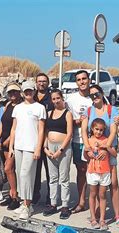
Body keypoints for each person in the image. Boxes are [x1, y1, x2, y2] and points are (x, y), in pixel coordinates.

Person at [82, 84, 119, 228]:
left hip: (108, 148)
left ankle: (117, 215)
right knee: (94, 185)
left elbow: (113, 130)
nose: (94, 97)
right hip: (93, 151)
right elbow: (84, 131)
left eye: (96, 94)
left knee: (113, 183)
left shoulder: (111, 109)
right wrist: (88, 148)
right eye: (91, 95)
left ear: (102, 93)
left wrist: (106, 148)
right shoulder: (89, 111)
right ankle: (95, 216)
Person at [9, 81, 46, 220]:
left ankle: (27, 204)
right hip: (19, 146)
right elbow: (14, 128)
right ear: (22, 92)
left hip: (31, 147)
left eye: (30, 90)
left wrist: (38, 148)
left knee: (26, 175)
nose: (28, 93)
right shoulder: (17, 108)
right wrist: (11, 146)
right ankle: (25, 204)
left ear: (34, 91)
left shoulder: (39, 107)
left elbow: (41, 130)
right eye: (26, 91)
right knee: (20, 174)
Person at [65, 70, 93, 214]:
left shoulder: (96, 96)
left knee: (95, 172)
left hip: (95, 142)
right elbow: (65, 119)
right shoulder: (70, 100)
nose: (82, 82)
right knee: (81, 171)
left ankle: (96, 203)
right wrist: (76, 122)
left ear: (89, 80)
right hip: (78, 140)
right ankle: (82, 202)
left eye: (84, 79)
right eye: (79, 80)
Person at [43, 89, 73, 219]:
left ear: (62, 98)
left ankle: (65, 205)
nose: (56, 101)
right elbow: (46, 131)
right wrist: (45, 147)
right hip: (50, 147)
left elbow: (69, 133)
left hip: (63, 149)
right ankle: (53, 203)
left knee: (64, 178)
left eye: (58, 98)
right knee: (53, 177)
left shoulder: (67, 114)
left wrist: (60, 150)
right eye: (53, 99)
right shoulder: (49, 113)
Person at [85, 118, 117, 230]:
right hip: (93, 171)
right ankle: (93, 218)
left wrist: (107, 148)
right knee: (92, 194)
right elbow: (85, 156)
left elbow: (115, 154)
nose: (98, 132)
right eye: (96, 129)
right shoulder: (89, 140)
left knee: (102, 195)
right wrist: (88, 153)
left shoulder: (107, 140)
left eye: (101, 130)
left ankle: (102, 219)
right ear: (92, 129)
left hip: (104, 171)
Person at [0, 82, 22, 210]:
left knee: (8, 168)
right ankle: (12, 194)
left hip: (14, 141)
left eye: (15, 92)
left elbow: (18, 126)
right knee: (10, 171)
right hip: (4, 141)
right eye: (10, 92)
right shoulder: (7, 104)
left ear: (19, 93)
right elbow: (2, 122)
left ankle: (15, 196)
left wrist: (8, 140)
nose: (13, 94)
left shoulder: (21, 106)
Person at [33, 73, 54, 205]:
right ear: (36, 83)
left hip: (48, 138)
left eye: (44, 81)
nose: (42, 83)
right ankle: (35, 194)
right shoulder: (31, 96)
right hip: (33, 138)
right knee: (34, 170)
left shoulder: (52, 98)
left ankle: (50, 197)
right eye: (39, 81)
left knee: (49, 170)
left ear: (48, 83)